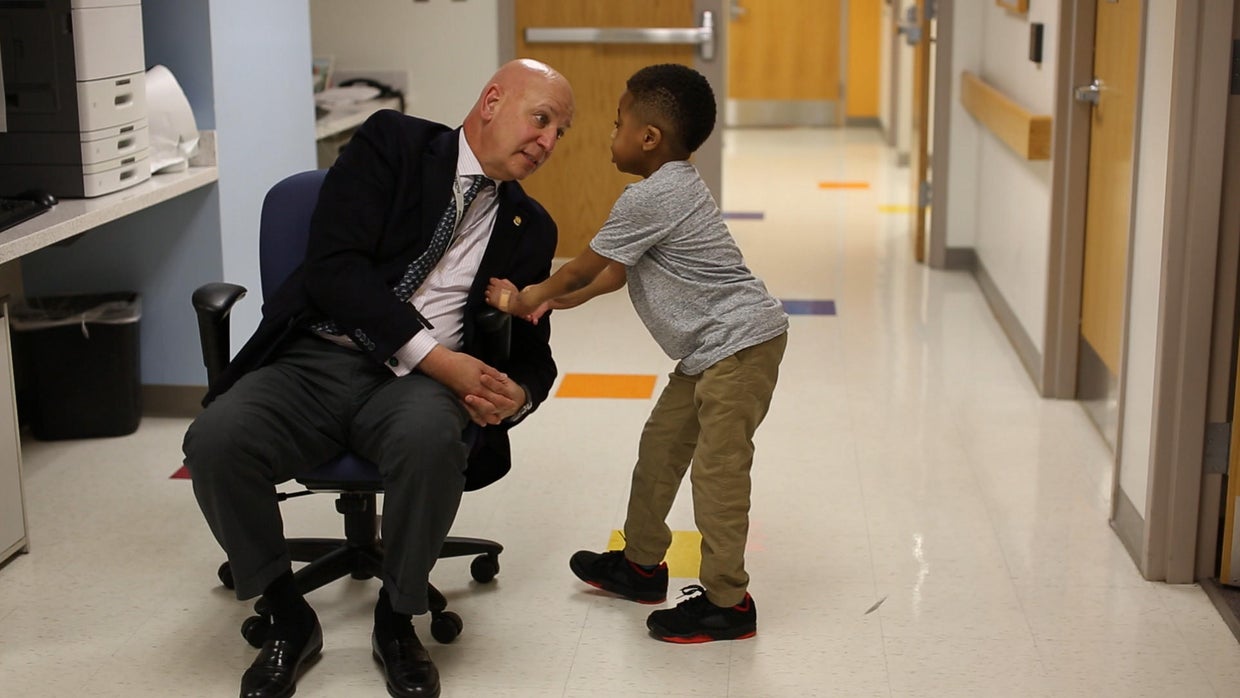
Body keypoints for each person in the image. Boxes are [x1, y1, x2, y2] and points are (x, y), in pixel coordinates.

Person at [183, 59, 573, 698]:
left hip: (419, 392)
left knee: (428, 441)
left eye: (562, 132)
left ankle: (397, 620)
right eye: (541, 119)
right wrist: (438, 358)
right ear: (493, 101)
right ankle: (286, 613)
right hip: (318, 358)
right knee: (217, 440)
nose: (549, 142)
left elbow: (534, 354)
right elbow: (334, 270)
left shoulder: (532, 227)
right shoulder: (392, 142)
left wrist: (520, 394)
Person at [485, 63, 788, 644]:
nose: (611, 133)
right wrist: (555, 306)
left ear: (649, 138)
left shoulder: (653, 197)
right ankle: (641, 565)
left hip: (741, 346)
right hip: (708, 352)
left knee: (718, 473)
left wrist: (525, 296)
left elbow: (581, 266)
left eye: (618, 122)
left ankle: (729, 602)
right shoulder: (662, 193)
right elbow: (611, 278)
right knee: (659, 452)